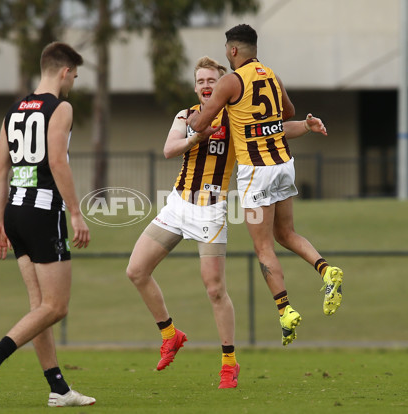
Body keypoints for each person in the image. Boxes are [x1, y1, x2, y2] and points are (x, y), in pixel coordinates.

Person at [126, 56, 329, 389]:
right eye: (201, 81)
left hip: (210, 210)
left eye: (212, 81)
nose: (207, 86)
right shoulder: (186, 115)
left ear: (220, 86)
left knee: (215, 289)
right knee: (136, 270)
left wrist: (306, 126)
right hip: (178, 205)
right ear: (195, 87)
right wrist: (194, 137)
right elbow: (168, 149)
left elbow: (277, 129)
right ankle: (170, 334)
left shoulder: (235, 119)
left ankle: (229, 363)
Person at [188, 24, 344, 347]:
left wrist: (187, 120)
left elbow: (202, 123)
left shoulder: (231, 81)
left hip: (256, 172)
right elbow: (287, 112)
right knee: (286, 233)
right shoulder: (271, 75)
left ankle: (285, 311)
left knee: (264, 247)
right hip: (283, 164)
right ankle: (327, 271)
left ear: (232, 51)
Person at [0, 42, 95, 408]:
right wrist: (75, 212)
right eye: (74, 74)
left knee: (39, 305)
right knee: (56, 307)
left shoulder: (14, 110)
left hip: (15, 212)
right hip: (44, 211)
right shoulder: (61, 108)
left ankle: (58, 388)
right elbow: (58, 162)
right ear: (63, 71)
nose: (73, 80)